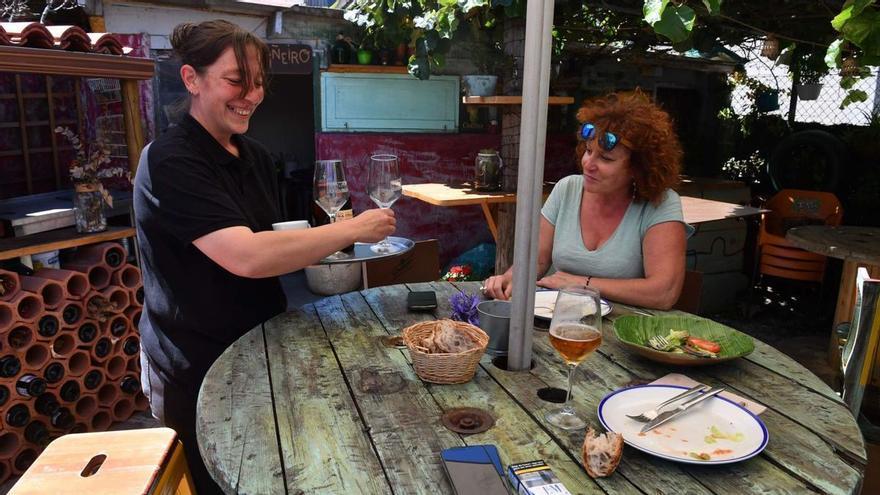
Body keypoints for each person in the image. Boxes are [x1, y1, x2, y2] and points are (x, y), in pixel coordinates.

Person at [133, 20, 395, 493]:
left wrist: (330, 250)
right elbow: (248, 256)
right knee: (221, 480)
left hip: (261, 343)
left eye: (258, 84)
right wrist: (352, 229)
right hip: (195, 360)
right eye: (237, 81)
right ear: (192, 79)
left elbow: (278, 239)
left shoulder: (252, 155)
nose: (251, 96)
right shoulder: (169, 160)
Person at [483, 90, 691, 309]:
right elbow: (537, 260)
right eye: (588, 150)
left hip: (622, 333)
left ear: (638, 169)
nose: (588, 164)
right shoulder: (567, 189)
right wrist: (509, 278)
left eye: (606, 158)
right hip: (557, 322)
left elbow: (663, 293)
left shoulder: (660, 203)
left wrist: (581, 283)